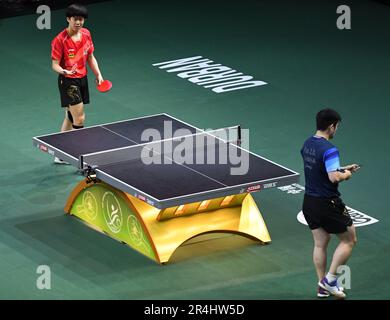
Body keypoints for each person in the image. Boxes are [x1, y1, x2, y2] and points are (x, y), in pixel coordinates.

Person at [301, 108, 360, 299]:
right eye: (337, 127)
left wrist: (342, 167)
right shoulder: (330, 149)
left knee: (321, 243)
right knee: (349, 239)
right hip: (328, 203)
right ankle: (330, 280)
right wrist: (347, 174)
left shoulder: (308, 143)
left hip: (309, 202)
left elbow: (321, 168)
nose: (336, 131)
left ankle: (321, 287)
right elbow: (334, 177)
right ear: (331, 126)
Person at [51, 3, 104, 164]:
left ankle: (60, 154)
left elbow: (90, 57)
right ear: (68, 19)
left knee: (70, 115)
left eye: (81, 19)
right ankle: (78, 156)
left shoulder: (86, 34)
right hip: (68, 81)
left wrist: (98, 74)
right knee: (79, 119)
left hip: (82, 78)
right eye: (75, 19)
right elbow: (54, 64)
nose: (78, 22)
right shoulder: (60, 40)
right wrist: (64, 71)